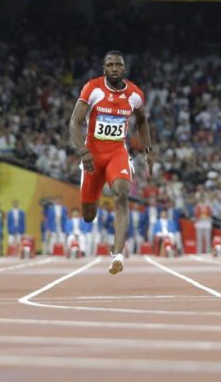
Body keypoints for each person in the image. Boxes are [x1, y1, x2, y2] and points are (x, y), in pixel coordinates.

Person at [70, 51, 155, 274]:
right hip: (93, 156)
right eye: (110, 64)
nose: (115, 68)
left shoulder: (135, 94)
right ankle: (93, 195)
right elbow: (74, 122)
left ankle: (117, 254)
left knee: (122, 192)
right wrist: (83, 152)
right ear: (104, 68)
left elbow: (142, 120)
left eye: (119, 64)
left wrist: (148, 149)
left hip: (117, 152)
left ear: (124, 68)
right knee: (88, 216)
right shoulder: (93, 88)